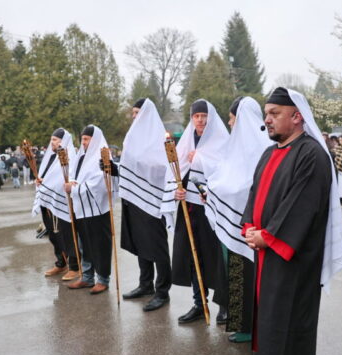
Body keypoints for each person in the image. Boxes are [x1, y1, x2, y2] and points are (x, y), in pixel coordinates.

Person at [242, 87, 342, 355]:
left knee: (291, 320)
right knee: (272, 315)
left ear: (297, 116)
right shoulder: (269, 153)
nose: (267, 120)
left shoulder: (311, 154)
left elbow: (302, 206)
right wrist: (250, 228)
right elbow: (255, 194)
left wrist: (268, 236)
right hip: (268, 252)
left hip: (294, 256)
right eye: (266, 113)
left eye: (274, 113)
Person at [204, 96, 272, 343]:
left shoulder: (263, 149)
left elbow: (244, 188)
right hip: (234, 224)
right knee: (235, 275)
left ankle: (251, 329)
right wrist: (210, 191)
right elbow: (223, 178)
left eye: (232, 119)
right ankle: (241, 324)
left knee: (249, 278)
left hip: (252, 229)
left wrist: (219, 190)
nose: (230, 124)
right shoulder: (236, 147)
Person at [160, 99, 228, 324]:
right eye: (196, 116)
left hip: (212, 210)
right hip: (189, 208)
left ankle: (224, 305)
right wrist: (176, 192)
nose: (200, 120)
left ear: (211, 117)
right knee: (193, 256)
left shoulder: (222, 141)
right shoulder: (186, 141)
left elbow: (226, 172)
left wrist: (200, 159)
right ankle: (200, 304)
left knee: (215, 257)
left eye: (204, 116)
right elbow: (175, 172)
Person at [116, 98, 173, 311]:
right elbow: (128, 165)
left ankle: (162, 291)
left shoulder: (158, 138)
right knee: (141, 243)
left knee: (158, 248)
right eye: (133, 113)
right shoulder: (132, 138)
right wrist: (112, 167)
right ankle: (145, 284)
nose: (134, 116)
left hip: (154, 201)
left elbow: (162, 167)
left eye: (137, 112)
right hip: (135, 199)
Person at [65, 125, 113, 294]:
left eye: (86, 139)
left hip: (97, 210)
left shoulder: (102, 157)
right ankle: (87, 277)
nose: (83, 142)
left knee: (100, 245)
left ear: (95, 139)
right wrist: (71, 182)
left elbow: (100, 183)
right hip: (81, 208)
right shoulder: (81, 157)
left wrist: (74, 188)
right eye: (82, 139)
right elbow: (73, 174)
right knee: (84, 244)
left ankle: (103, 279)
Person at [32, 128, 80, 281]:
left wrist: (48, 184)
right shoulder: (50, 157)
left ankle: (75, 266)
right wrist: (40, 181)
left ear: (63, 141)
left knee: (68, 235)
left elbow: (69, 178)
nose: (51, 142)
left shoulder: (70, 157)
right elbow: (46, 176)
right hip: (48, 201)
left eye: (55, 140)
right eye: (51, 139)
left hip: (63, 202)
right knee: (54, 235)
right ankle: (61, 262)